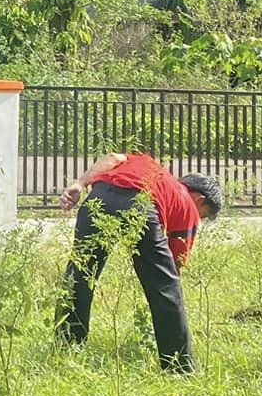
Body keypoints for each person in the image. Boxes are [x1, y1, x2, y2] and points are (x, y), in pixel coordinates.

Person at [55, 152, 223, 372]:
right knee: (167, 291)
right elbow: (176, 264)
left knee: (79, 276)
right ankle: (179, 367)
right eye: (203, 214)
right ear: (200, 200)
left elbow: (113, 157)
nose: (198, 218)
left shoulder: (145, 163)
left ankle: (66, 350)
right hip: (140, 207)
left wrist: (80, 183)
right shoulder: (186, 202)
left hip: (98, 198)